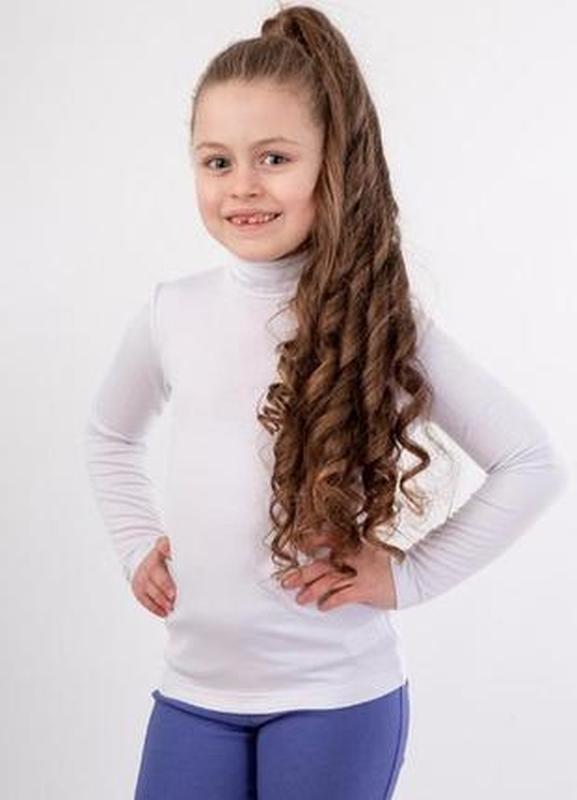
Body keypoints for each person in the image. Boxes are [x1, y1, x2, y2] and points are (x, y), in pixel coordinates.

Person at [83, 5, 569, 799]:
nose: (243, 186)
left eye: (274, 158)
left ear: (329, 164)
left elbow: (530, 462)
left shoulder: (379, 321)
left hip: (335, 702)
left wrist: (410, 577)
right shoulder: (173, 311)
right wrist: (137, 540)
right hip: (193, 696)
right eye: (216, 161)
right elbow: (109, 433)